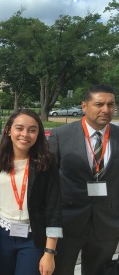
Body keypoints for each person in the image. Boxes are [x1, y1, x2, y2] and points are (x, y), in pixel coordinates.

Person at [48, 84, 119, 275]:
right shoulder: (60, 135)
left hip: (107, 226)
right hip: (68, 224)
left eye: (111, 105)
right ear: (84, 106)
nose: (106, 109)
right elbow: (48, 183)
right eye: (99, 104)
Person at [0, 108, 62, 275]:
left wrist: (50, 253)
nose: (25, 134)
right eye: (19, 128)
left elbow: (54, 208)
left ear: (39, 134)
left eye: (32, 130)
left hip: (32, 237)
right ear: (8, 130)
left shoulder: (47, 163)